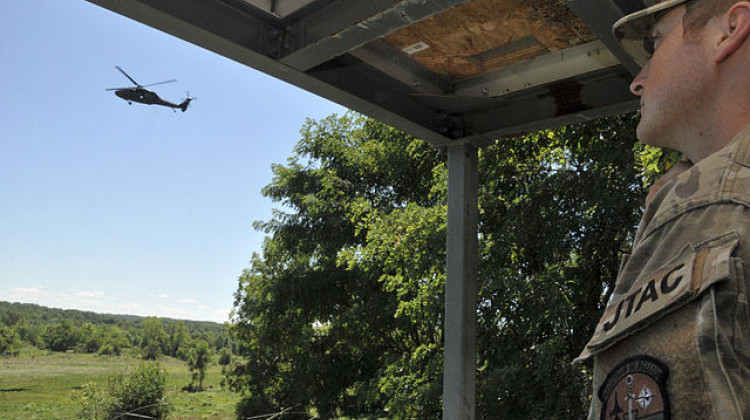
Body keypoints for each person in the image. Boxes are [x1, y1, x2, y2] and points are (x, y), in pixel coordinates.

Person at [576, 0, 750, 418]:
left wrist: (683, 206)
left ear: (731, 29)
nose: (638, 83)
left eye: (655, 46)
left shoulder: (711, 200)